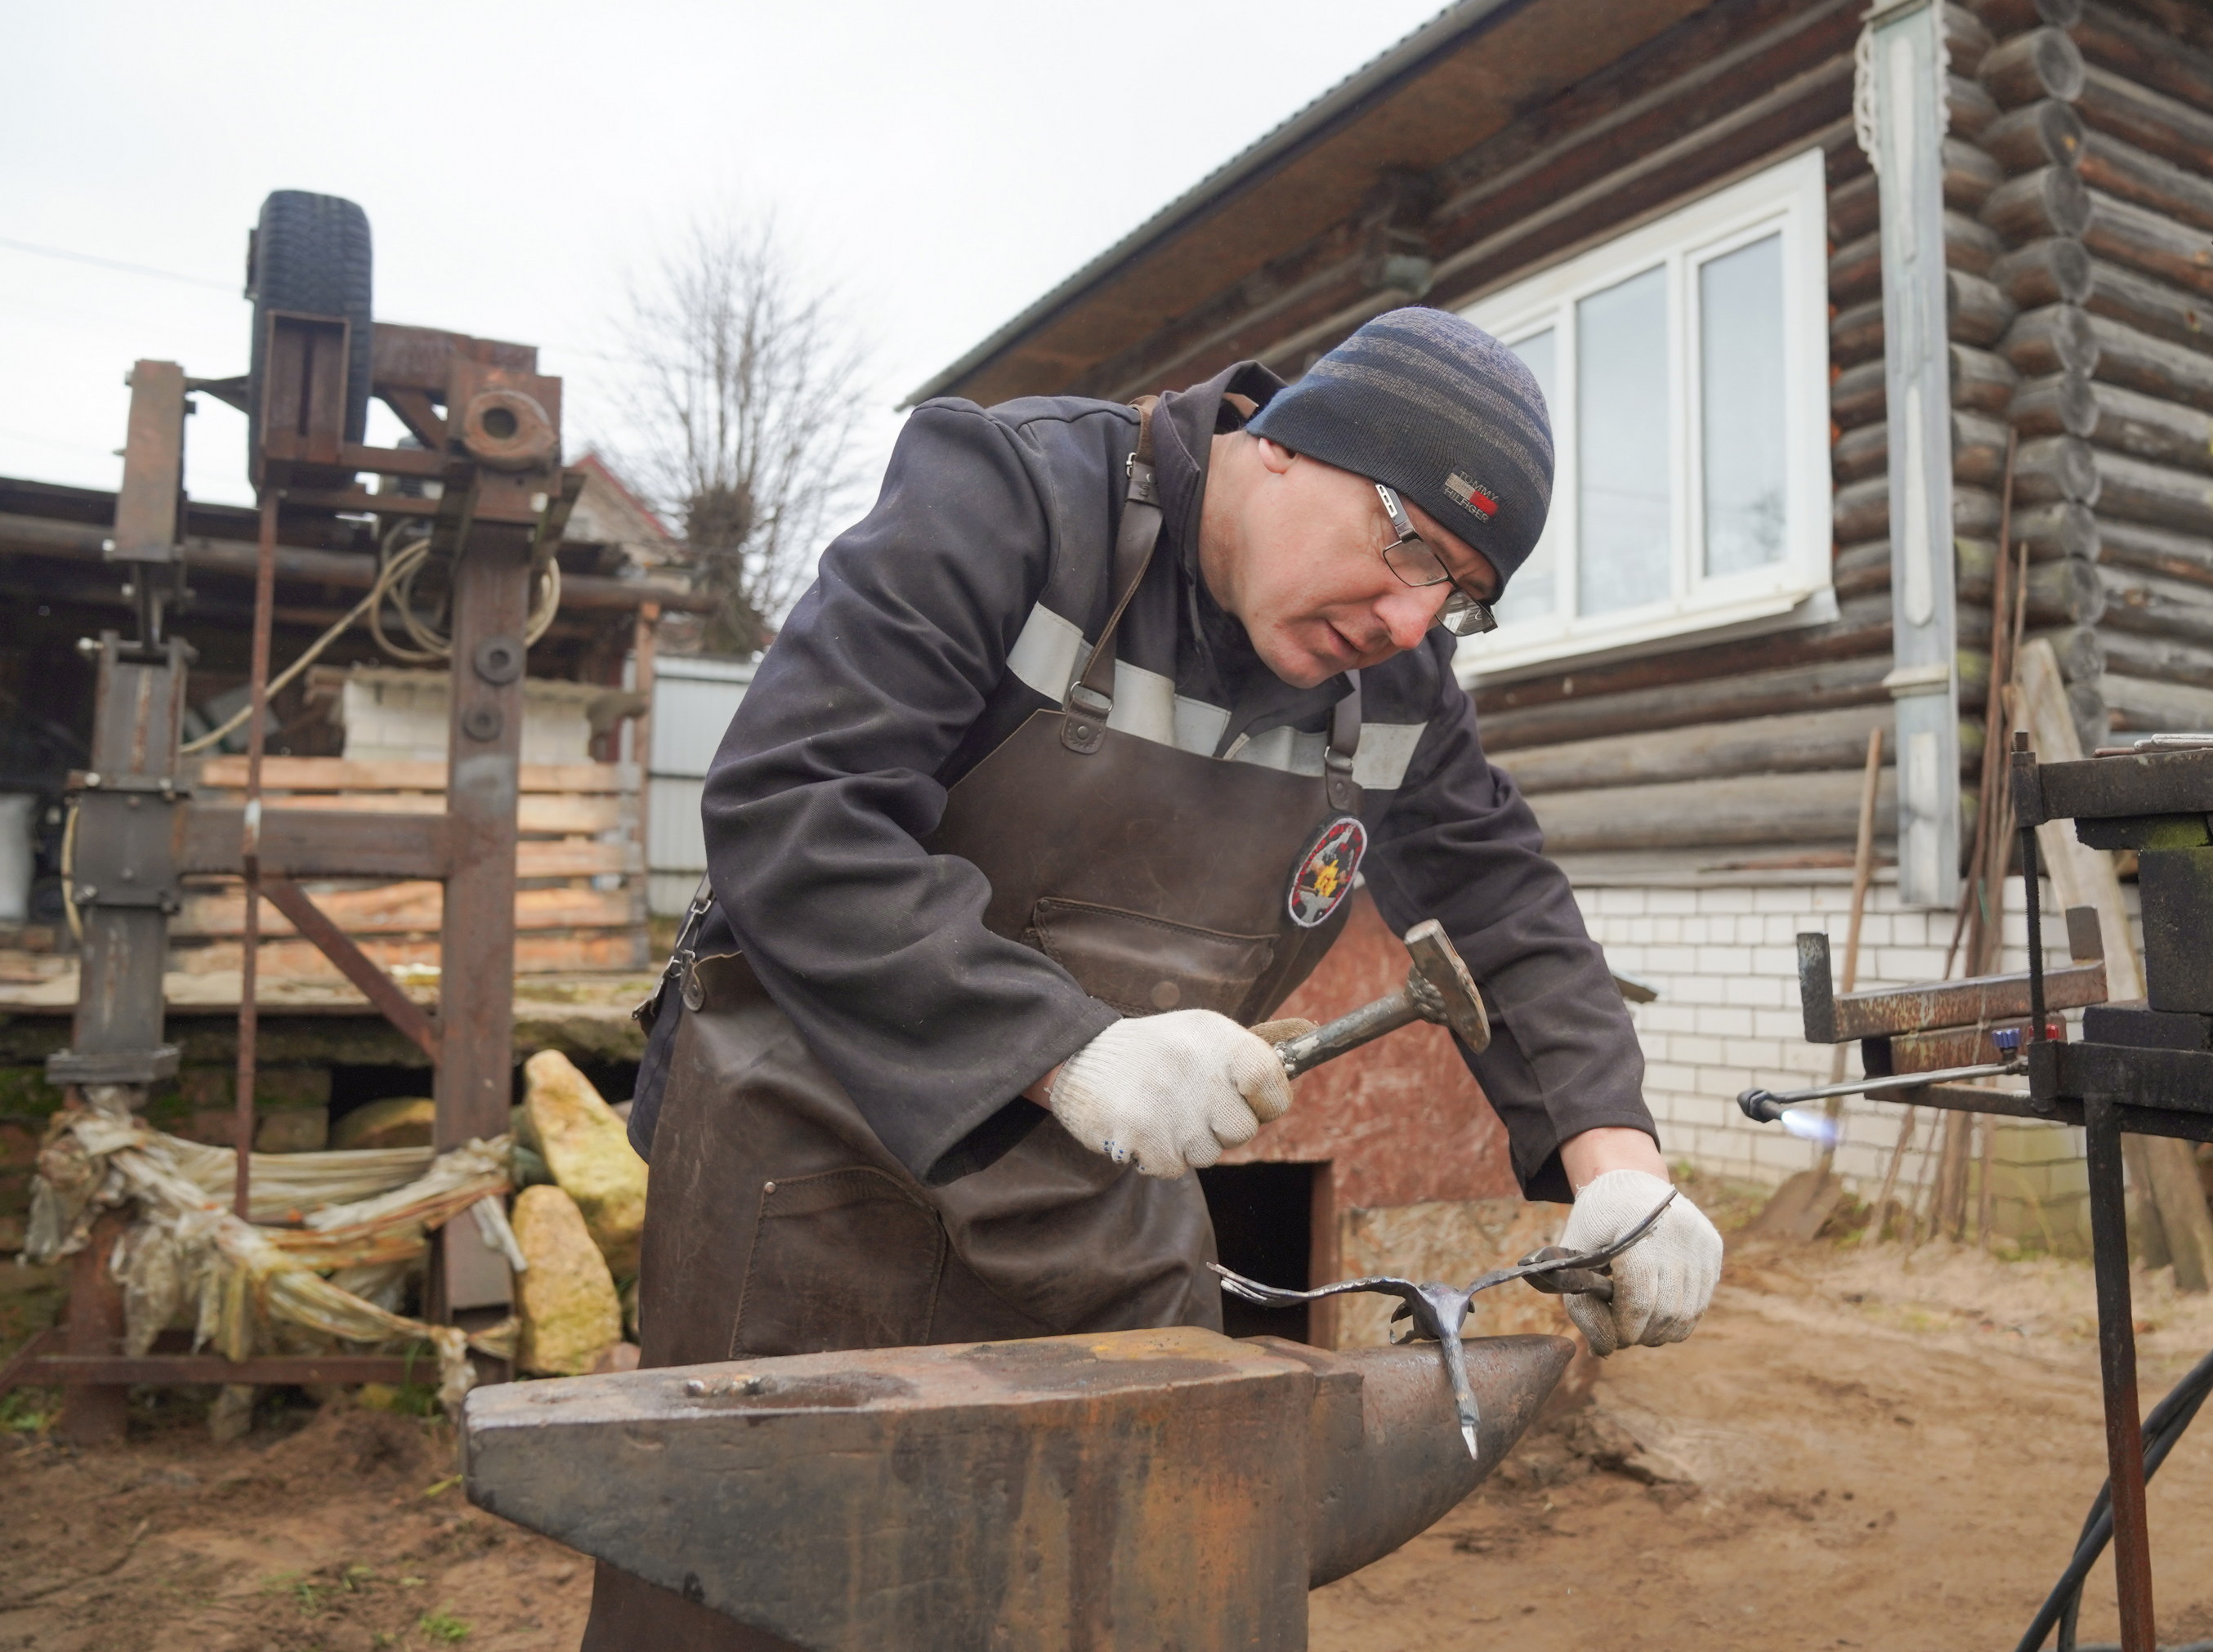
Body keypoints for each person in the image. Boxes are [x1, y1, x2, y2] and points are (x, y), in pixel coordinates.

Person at [583, 308, 1722, 1649]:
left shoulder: (1400, 679)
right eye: (1410, 543)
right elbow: (797, 805)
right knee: (752, 1596)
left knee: (1152, 1586)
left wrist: (1618, 1162)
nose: (1413, 617)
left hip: (1092, 1207)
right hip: (808, 1176)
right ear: (1290, 445)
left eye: (1457, 592)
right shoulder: (1014, 496)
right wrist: (1063, 1048)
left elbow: (1501, 901)